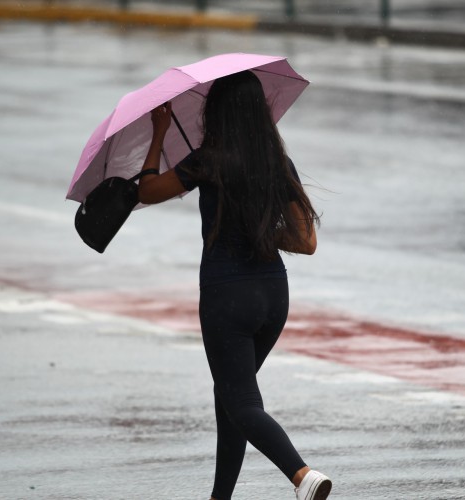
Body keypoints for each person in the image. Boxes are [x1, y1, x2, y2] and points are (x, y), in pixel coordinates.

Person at [137, 70, 331, 500]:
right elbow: (307, 241)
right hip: (273, 295)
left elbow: (147, 191)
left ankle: (302, 476)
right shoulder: (277, 161)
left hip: (228, 295)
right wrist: (259, 231)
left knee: (241, 400)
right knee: (231, 392)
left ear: (219, 112)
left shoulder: (209, 158)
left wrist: (159, 134)